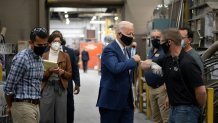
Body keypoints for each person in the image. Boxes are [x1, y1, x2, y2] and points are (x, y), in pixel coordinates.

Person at [141, 28, 207, 123]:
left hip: (186, 111)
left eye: (162, 41)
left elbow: (201, 91)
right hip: (173, 108)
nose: (160, 44)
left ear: (169, 42)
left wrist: (197, 108)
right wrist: (146, 64)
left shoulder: (187, 63)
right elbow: (156, 69)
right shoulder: (169, 60)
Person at [96, 21, 141, 123]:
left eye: (133, 34)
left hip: (126, 102)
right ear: (119, 34)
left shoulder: (126, 50)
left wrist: (131, 99)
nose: (132, 37)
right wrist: (133, 60)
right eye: (129, 34)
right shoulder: (109, 50)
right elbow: (115, 68)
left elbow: (127, 74)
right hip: (111, 102)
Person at [4, 27, 48, 123]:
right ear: (31, 43)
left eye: (45, 44)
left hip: (35, 105)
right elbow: (8, 87)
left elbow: (37, 82)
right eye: (39, 45)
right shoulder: (22, 58)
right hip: (23, 106)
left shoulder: (39, 59)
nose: (43, 47)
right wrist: (10, 106)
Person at [40, 33, 72, 123]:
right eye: (54, 41)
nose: (57, 43)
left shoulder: (66, 56)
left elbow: (70, 75)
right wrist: (49, 71)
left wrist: (62, 72)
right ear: (49, 43)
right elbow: (39, 76)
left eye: (58, 41)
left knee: (61, 117)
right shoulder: (43, 56)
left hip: (61, 87)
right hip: (47, 87)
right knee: (45, 116)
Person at [144, 29, 169, 123]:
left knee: (165, 118)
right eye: (153, 37)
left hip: (161, 88)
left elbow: (166, 70)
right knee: (155, 118)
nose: (155, 39)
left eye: (157, 37)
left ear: (162, 38)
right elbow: (151, 66)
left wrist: (151, 65)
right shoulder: (150, 50)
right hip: (151, 88)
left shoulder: (165, 51)